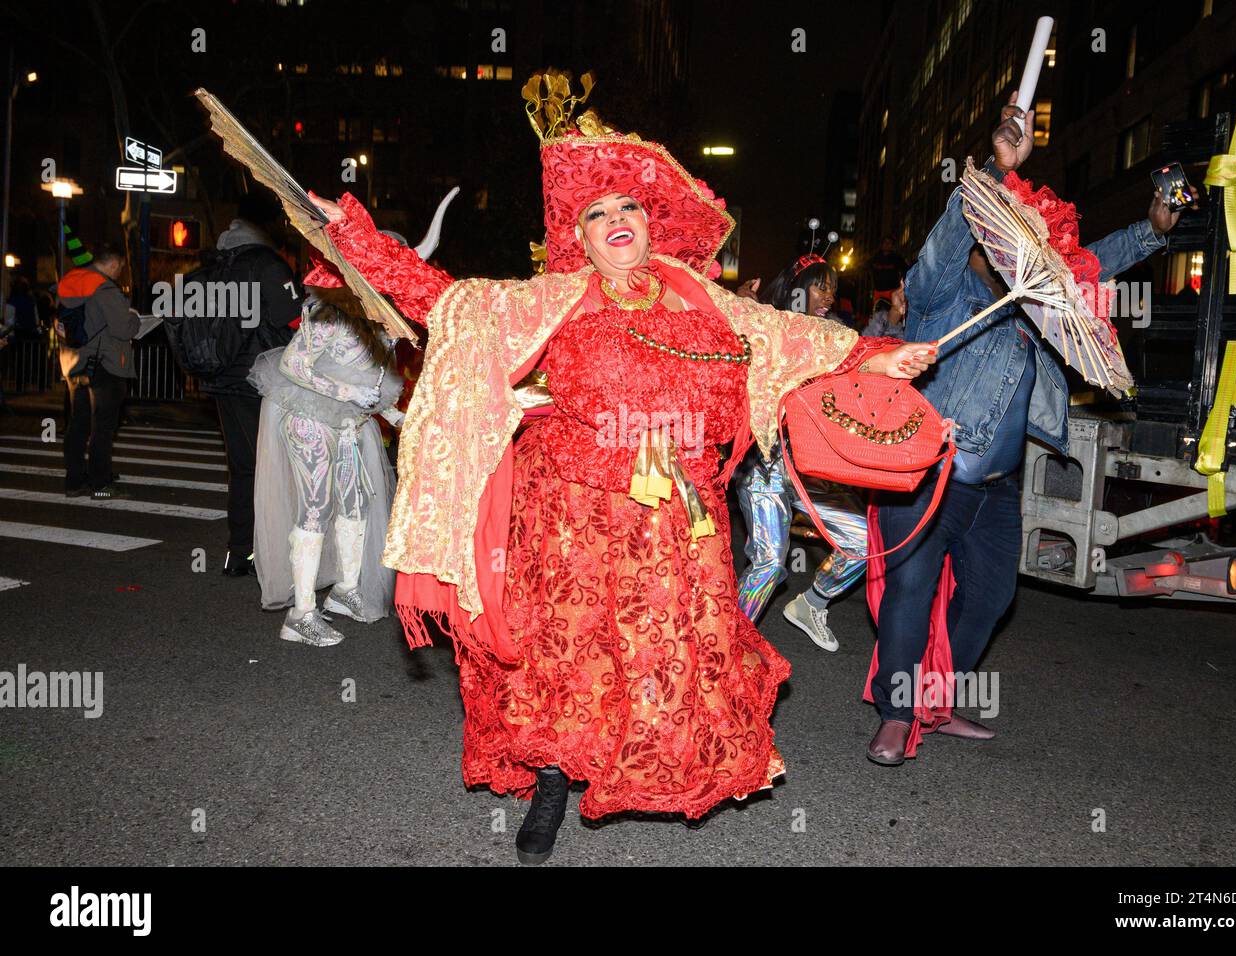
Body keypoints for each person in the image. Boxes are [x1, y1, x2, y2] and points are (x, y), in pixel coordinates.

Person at [291, 72, 934, 865]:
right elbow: (442, 299)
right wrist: (352, 235)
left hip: (677, 515)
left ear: (649, 224)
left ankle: (637, 766)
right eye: (597, 214)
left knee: (666, 654)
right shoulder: (558, 299)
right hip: (571, 512)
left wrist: (883, 353)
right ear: (580, 240)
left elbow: (795, 341)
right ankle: (555, 779)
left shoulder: (700, 299)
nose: (616, 219)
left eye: (628, 206)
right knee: (568, 653)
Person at [865, 94, 1187, 765]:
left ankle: (935, 699)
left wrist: (1153, 230)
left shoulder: (1040, 309)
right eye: (1007, 233)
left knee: (990, 597)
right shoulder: (940, 295)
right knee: (911, 591)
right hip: (929, 475)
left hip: (998, 491)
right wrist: (991, 170)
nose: (1018, 248)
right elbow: (945, 241)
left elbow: (1089, 267)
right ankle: (896, 714)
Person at [734, 253, 899, 653]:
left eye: (833, 288)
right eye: (820, 285)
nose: (828, 295)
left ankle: (812, 603)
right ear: (796, 287)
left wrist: (894, 323)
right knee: (771, 564)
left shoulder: (834, 337)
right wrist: (741, 307)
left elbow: (870, 369)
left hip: (811, 468)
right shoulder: (764, 325)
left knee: (865, 540)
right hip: (765, 465)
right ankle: (727, 646)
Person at [249, 279, 404, 646]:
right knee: (316, 508)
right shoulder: (328, 313)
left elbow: (369, 378)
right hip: (309, 417)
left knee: (355, 504)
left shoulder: (379, 318)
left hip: (349, 423)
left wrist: (393, 414)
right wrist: (349, 392)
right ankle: (301, 614)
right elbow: (292, 364)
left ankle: (345, 590)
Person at [202, 190, 300, 577]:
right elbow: (292, 321)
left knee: (242, 466)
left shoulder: (218, 263)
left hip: (223, 375)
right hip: (262, 377)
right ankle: (277, 551)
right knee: (276, 465)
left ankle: (240, 551)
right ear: (266, 224)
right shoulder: (267, 264)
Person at [56, 243, 138, 499]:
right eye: (120, 268)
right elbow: (123, 329)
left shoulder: (71, 281)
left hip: (74, 362)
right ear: (113, 264)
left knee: (78, 423)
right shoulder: (104, 288)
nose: (119, 272)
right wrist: (134, 317)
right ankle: (100, 485)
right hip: (104, 364)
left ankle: (74, 481)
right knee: (103, 426)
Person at [868, 235, 908, 308]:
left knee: (892, 311)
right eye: (885, 242)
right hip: (878, 290)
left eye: (889, 243)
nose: (887, 244)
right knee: (877, 312)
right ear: (882, 244)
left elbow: (906, 269)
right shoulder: (875, 257)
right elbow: (867, 267)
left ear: (892, 245)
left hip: (892, 290)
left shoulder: (897, 258)